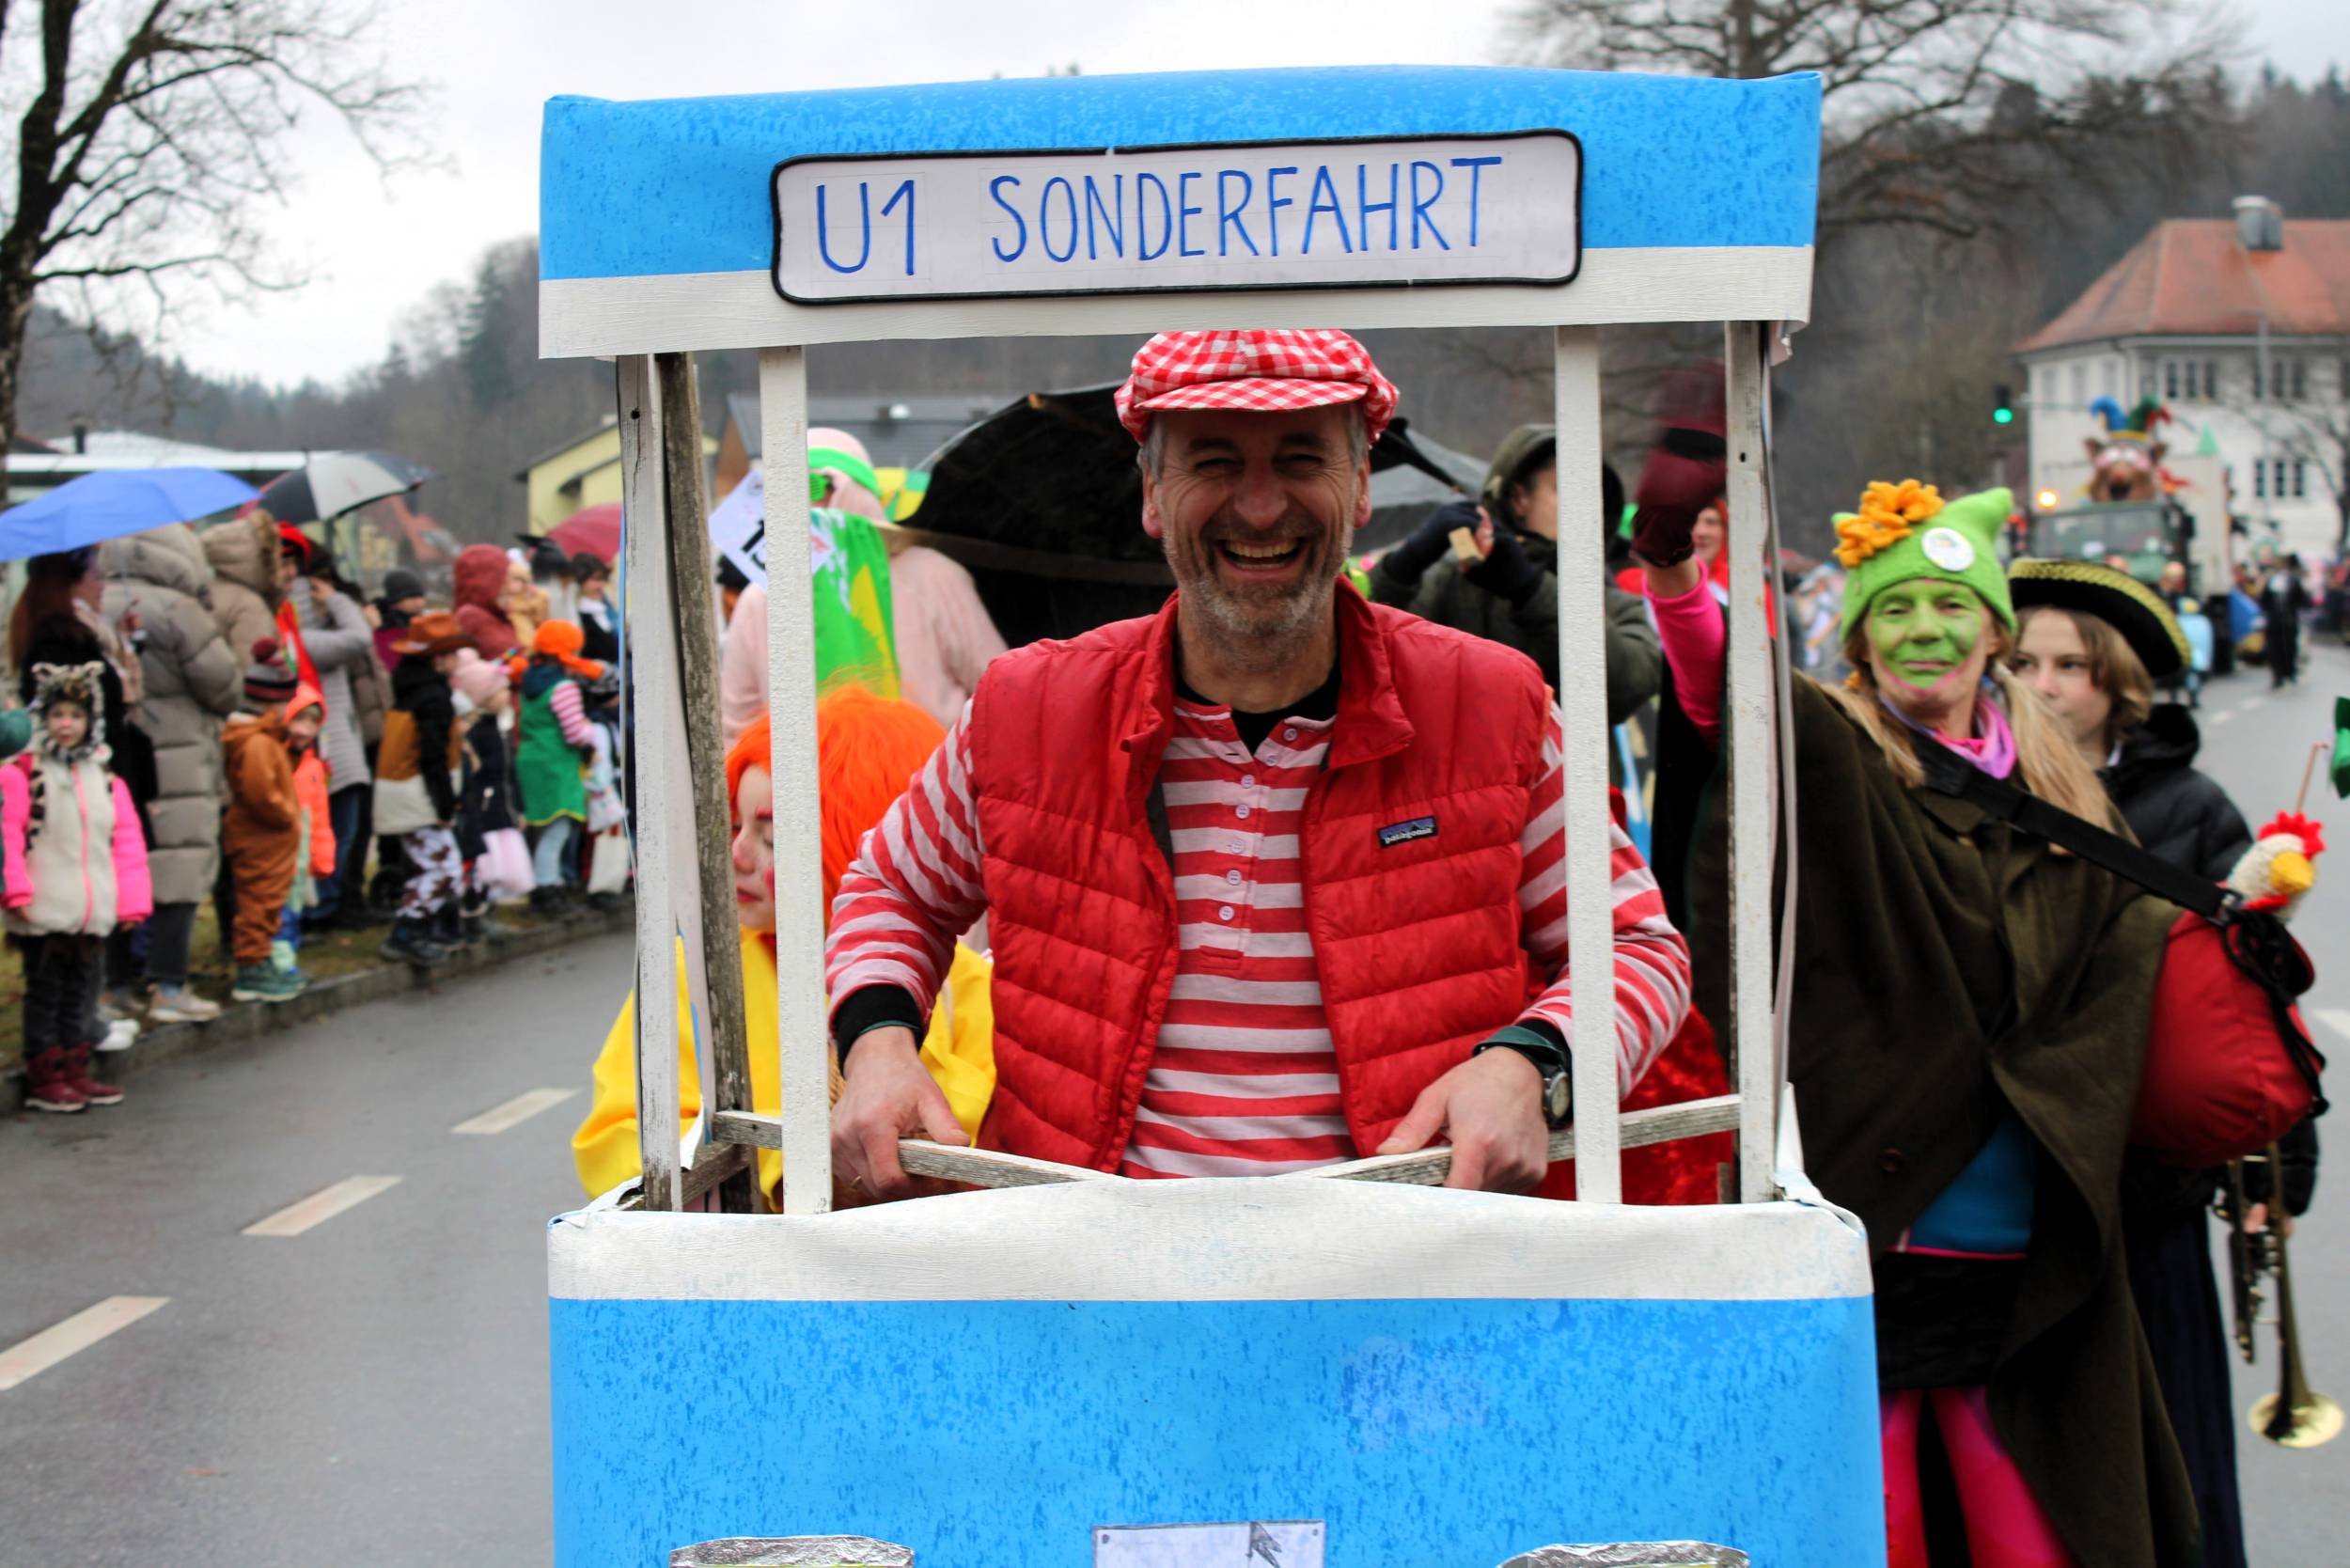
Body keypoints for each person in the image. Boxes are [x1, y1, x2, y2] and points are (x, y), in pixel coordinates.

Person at [824, 328, 1691, 1199]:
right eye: (1214, 462)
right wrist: (880, 1043)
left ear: (1359, 491)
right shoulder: (1027, 709)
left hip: (1407, 1273)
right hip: (1089, 1281)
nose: (1263, 506)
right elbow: (888, 893)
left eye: (1303, 458)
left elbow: (1636, 947)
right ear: (1153, 498)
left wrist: (1529, 1067)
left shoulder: (1494, 707)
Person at [1642, 475, 2319, 1568]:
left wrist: (2237, 911)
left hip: (2036, 1232)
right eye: (1895, 609)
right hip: (1883, 1213)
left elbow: (2124, 967)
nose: (1924, 631)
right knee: (1881, 1517)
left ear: (1992, 630)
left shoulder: (2062, 790)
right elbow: (1744, 690)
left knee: (2037, 1514)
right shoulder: (1837, 756)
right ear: (1858, 640)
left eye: (1950, 606)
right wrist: (1677, 575)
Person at [2009, 559, 2262, 1568]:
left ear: (2117, 685)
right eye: (2024, 660)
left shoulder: (2192, 807)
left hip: (2148, 1187)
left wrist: (2275, 1168)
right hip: (2023, 1189)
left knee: (2171, 1457)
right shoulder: (1965, 790)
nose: (2046, 683)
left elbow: (2246, 1005)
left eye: (2072, 664)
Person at [573, 692, 997, 1207]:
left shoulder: (968, 986)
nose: (736, 854)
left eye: (769, 838)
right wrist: (781, 1167)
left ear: (873, 846)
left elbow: (989, 1145)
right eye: (736, 827)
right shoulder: (700, 978)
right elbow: (621, 1138)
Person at [1369, 426, 1660, 725]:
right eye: (1569, 489)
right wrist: (1403, 568)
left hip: (1566, 772)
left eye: (1595, 495)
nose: (1587, 506)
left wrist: (1531, 590)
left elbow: (1627, 687)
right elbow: (1373, 658)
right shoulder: (1454, 581)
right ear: (1520, 498)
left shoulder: (1611, 600)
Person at [12, 545, 157, 1042]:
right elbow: (87, 706)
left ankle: (81, 1030)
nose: (100, 581)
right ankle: (73, 1034)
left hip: (96, 772)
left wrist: (123, 644)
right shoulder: (60, 638)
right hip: (77, 781)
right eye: (92, 572)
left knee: (94, 896)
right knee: (67, 927)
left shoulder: (69, 629)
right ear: (70, 579)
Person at [94, 525, 238, 1023]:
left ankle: (115, 985)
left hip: (119, 755)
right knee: (179, 865)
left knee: (120, 867)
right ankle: (168, 983)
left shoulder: (95, 606)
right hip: (180, 756)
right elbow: (223, 686)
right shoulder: (182, 611)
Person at [2, 662, 150, 1110]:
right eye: (57, 715)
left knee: (83, 989)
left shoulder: (104, 777)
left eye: (77, 715)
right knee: (47, 991)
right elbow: (7, 836)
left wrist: (131, 901)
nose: (66, 725)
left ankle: (75, 1066)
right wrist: (16, 891)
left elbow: (126, 843)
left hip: (91, 908)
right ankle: (45, 1073)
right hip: (43, 907)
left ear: (92, 721)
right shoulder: (23, 773)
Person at [218, 641, 319, 1004]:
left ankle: (263, 964)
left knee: (269, 901)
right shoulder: (256, 743)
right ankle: (252, 968)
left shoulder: (266, 739)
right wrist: (287, 817)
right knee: (258, 903)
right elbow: (262, 794)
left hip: (269, 837)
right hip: (261, 835)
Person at [287, 552, 379, 932]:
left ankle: (331, 904)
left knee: (343, 834)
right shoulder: (307, 639)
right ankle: (321, 910)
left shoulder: (317, 636)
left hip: (340, 744)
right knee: (334, 836)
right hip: (331, 751)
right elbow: (359, 637)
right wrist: (339, 600)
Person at [372, 611, 468, 967]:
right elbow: (433, 757)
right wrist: (445, 807)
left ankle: (433, 928)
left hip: (406, 794)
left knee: (437, 866)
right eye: (453, 653)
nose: (458, 661)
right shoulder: (432, 699)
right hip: (419, 798)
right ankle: (407, 931)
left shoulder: (410, 690)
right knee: (441, 869)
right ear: (438, 657)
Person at [515, 620, 601, 917]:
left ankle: (544, 885)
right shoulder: (563, 687)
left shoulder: (528, 680)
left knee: (542, 829)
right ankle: (547, 890)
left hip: (531, 760)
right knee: (558, 829)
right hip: (557, 763)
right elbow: (575, 732)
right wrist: (593, 731)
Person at [449, 651, 520, 949]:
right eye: (501, 689)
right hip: (478, 807)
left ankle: (484, 912)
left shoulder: (497, 728)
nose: (507, 695)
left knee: (485, 865)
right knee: (474, 867)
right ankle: (470, 917)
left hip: (494, 806)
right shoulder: (475, 734)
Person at [451, 542, 520, 662]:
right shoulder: (471, 617)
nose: (511, 588)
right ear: (486, 581)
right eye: (504, 579)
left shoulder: (496, 616)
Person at [2259, 554, 2309, 688]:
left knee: (2287, 648)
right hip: (2280, 622)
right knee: (2279, 649)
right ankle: (2281, 675)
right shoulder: (2276, 580)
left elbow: (2302, 600)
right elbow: (2264, 601)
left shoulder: (2289, 580)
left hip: (2284, 621)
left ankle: (2286, 673)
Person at [373, 566, 426, 672]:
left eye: (420, 596)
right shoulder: (384, 630)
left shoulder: (422, 625)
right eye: (411, 597)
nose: (419, 602)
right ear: (395, 601)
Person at [572, 554, 620, 666]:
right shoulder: (578, 614)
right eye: (594, 579)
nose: (600, 585)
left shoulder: (606, 605)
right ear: (580, 581)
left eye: (602, 579)